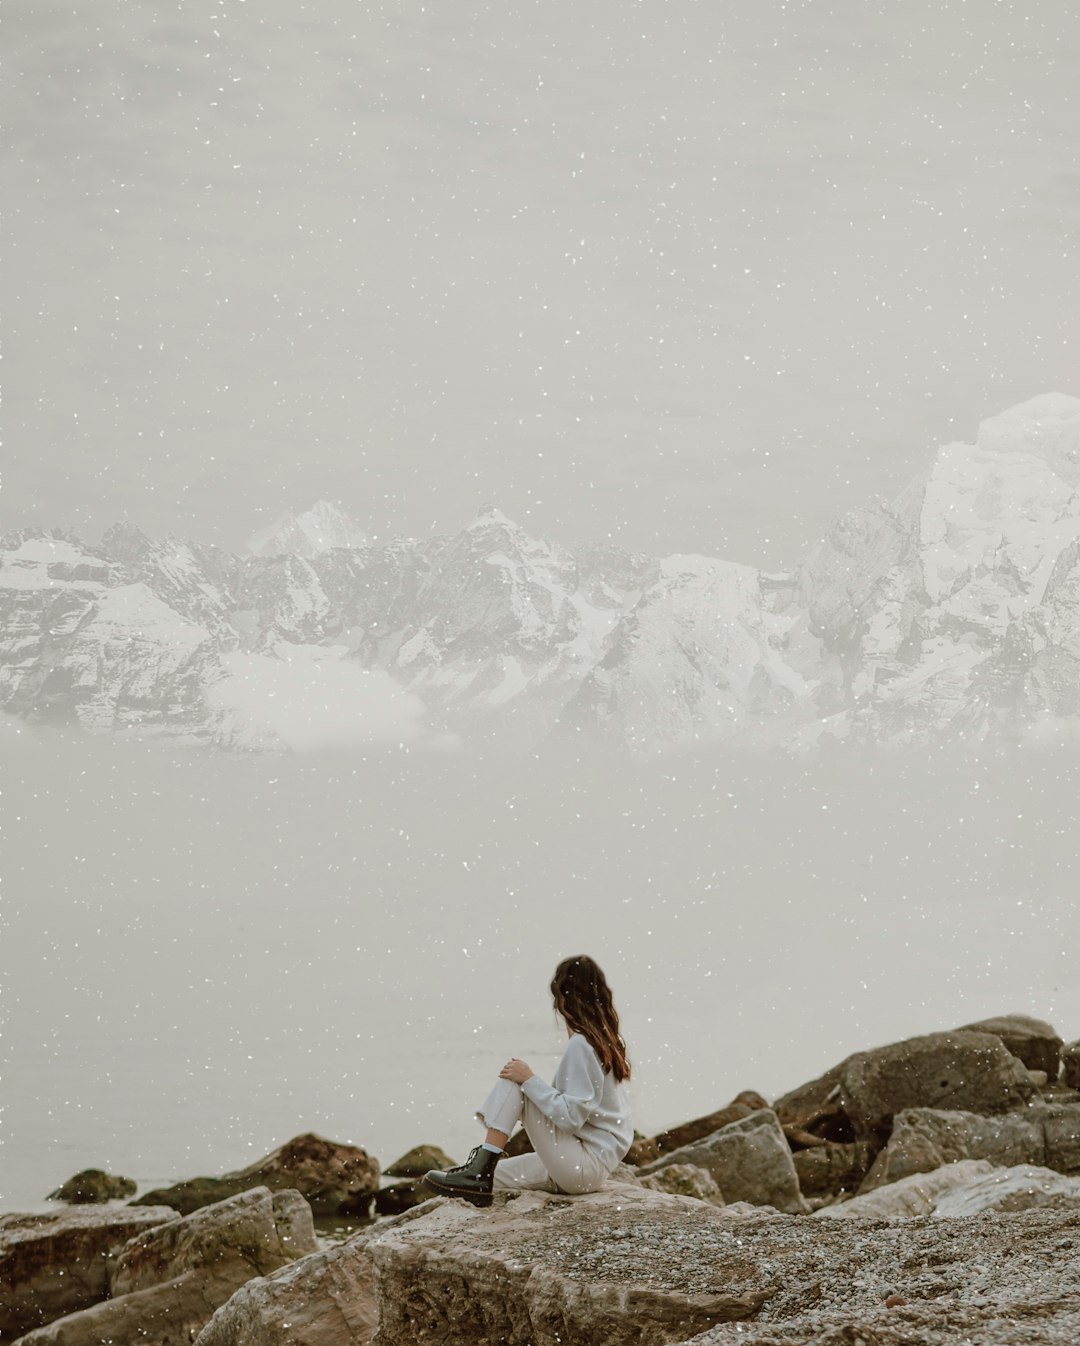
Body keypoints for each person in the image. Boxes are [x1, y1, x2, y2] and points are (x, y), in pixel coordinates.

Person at [423, 955, 633, 1206]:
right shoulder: (606, 1041)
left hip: (582, 1165)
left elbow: (571, 1117)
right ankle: (481, 1171)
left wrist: (529, 1080)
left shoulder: (582, 1045)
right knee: (496, 1177)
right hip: (591, 1166)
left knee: (516, 1081)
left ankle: (479, 1170)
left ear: (563, 999)